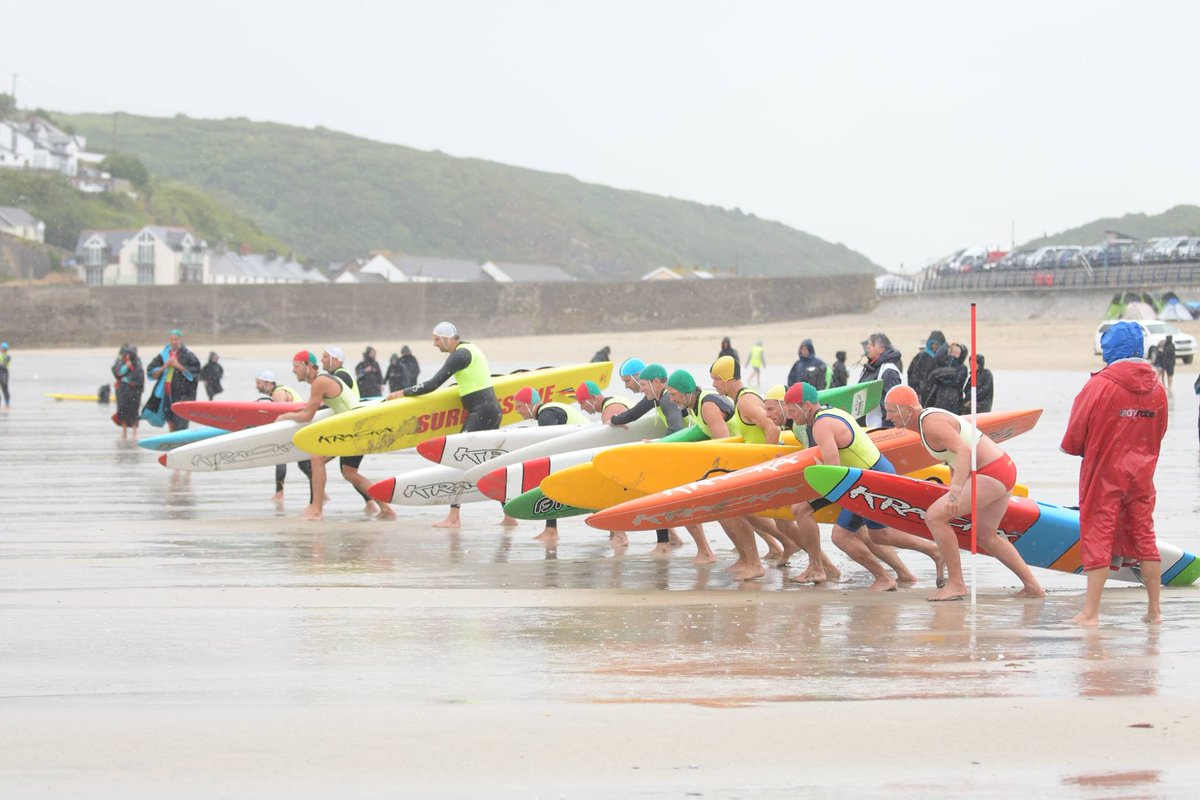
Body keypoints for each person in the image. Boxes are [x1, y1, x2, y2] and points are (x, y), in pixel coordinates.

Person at [884, 385, 1044, 601]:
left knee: (935, 517)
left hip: (991, 472)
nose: (887, 416)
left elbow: (964, 452)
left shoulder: (931, 423)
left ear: (908, 411)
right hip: (1003, 468)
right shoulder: (926, 423)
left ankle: (956, 584)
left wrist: (956, 492)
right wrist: (953, 485)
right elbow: (952, 457)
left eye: (891, 411)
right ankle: (1033, 587)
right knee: (987, 536)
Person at [787, 382, 944, 591]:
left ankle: (885, 576)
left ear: (805, 406)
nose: (790, 416)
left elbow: (832, 470)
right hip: (867, 475)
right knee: (875, 534)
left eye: (791, 410)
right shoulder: (830, 411)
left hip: (870, 480)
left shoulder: (821, 426)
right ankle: (927, 557)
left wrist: (811, 480)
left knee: (844, 536)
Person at [1061, 321, 1167, 626]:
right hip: (1142, 472)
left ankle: (1091, 612)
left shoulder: (1099, 385)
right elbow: (1159, 432)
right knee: (1145, 535)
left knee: (1099, 534)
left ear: (1109, 349)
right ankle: (1154, 611)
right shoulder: (1158, 388)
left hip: (1105, 471)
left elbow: (1074, 436)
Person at [388, 322, 513, 528]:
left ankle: (454, 517)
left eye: (437, 339)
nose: (434, 344)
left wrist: (402, 393)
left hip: (481, 412)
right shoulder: (470, 349)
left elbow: (432, 384)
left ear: (447, 339)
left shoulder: (460, 355)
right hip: (491, 410)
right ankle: (509, 515)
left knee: (458, 460)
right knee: (491, 464)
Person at [276, 350, 395, 522]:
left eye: (296, 366)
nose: (293, 370)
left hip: (354, 428)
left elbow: (307, 416)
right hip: (358, 426)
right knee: (349, 472)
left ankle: (316, 510)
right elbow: (314, 409)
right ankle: (386, 509)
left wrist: (284, 417)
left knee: (317, 458)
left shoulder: (320, 382)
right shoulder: (322, 380)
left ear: (307, 366)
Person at [514, 386, 588, 543]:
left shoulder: (546, 415)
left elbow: (550, 446)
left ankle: (551, 531)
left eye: (519, 406)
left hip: (586, 454)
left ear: (529, 404)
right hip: (584, 453)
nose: (517, 410)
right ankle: (616, 532)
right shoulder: (549, 410)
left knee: (549, 483)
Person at [256, 370, 303, 503]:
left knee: (281, 458)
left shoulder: (278, 393)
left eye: (259, 383)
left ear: (268, 383)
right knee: (304, 464)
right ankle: (321, 493)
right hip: (298, 426)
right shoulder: (280, 390)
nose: (257, 386)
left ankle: (279, 494)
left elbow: (280, 414)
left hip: (296, 427)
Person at [144, 329, 201, 431]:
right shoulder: (163, 355)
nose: (174, 342)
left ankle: (182, 443)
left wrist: (178, 366)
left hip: (182, 395)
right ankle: (172, 443)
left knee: (181, 422)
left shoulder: (188, 355)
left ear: (180, 340)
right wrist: (164, 366)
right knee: (170, 420)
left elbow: (195, 374)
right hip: (166, 394)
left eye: (176, 339)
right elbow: (151, 372)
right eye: (172, 339)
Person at [857, 332, 903, 428]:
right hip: (867, 426)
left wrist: (888, 429)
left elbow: (892, 404)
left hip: (880, 427)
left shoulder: (889, 371)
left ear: (881, 348)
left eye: (871, 345)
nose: (868, 347)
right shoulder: (871, 368)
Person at [921, 342, 968, 414]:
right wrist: (946, 345)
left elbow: (959, 382)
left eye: (957, 353)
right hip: (939, 395)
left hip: (954, 397)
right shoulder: (943, 362)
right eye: (953, 352)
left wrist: (944, 380)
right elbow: (934, 375)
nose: (954, 354)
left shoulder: (962, 368)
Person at [111, 345, 144, 438]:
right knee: (122, 409)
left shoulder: (137, 362)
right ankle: (124, 431)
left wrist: (131, 381)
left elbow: (139, 376)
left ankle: (134, 431)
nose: (127, 356)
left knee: (134, 410)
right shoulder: (120, 361)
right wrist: (126, 366)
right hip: (123, 389)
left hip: (134, 390)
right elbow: (118, 372)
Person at [907, 330, 946, 400]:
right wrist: (917, 390)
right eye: (933, 344)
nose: (935, 346)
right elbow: (912, 374)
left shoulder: (945, 358)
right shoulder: (922, 356)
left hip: (937, 393)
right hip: (923, 392)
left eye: (937, 344)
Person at [0, 341, 12, 408]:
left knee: (4, 388)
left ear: (5, 349)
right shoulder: (1, 355)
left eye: (1, 348)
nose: (0, 349)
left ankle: (7, 403)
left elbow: (3, 365)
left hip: (4, 373)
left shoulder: (8, 356)